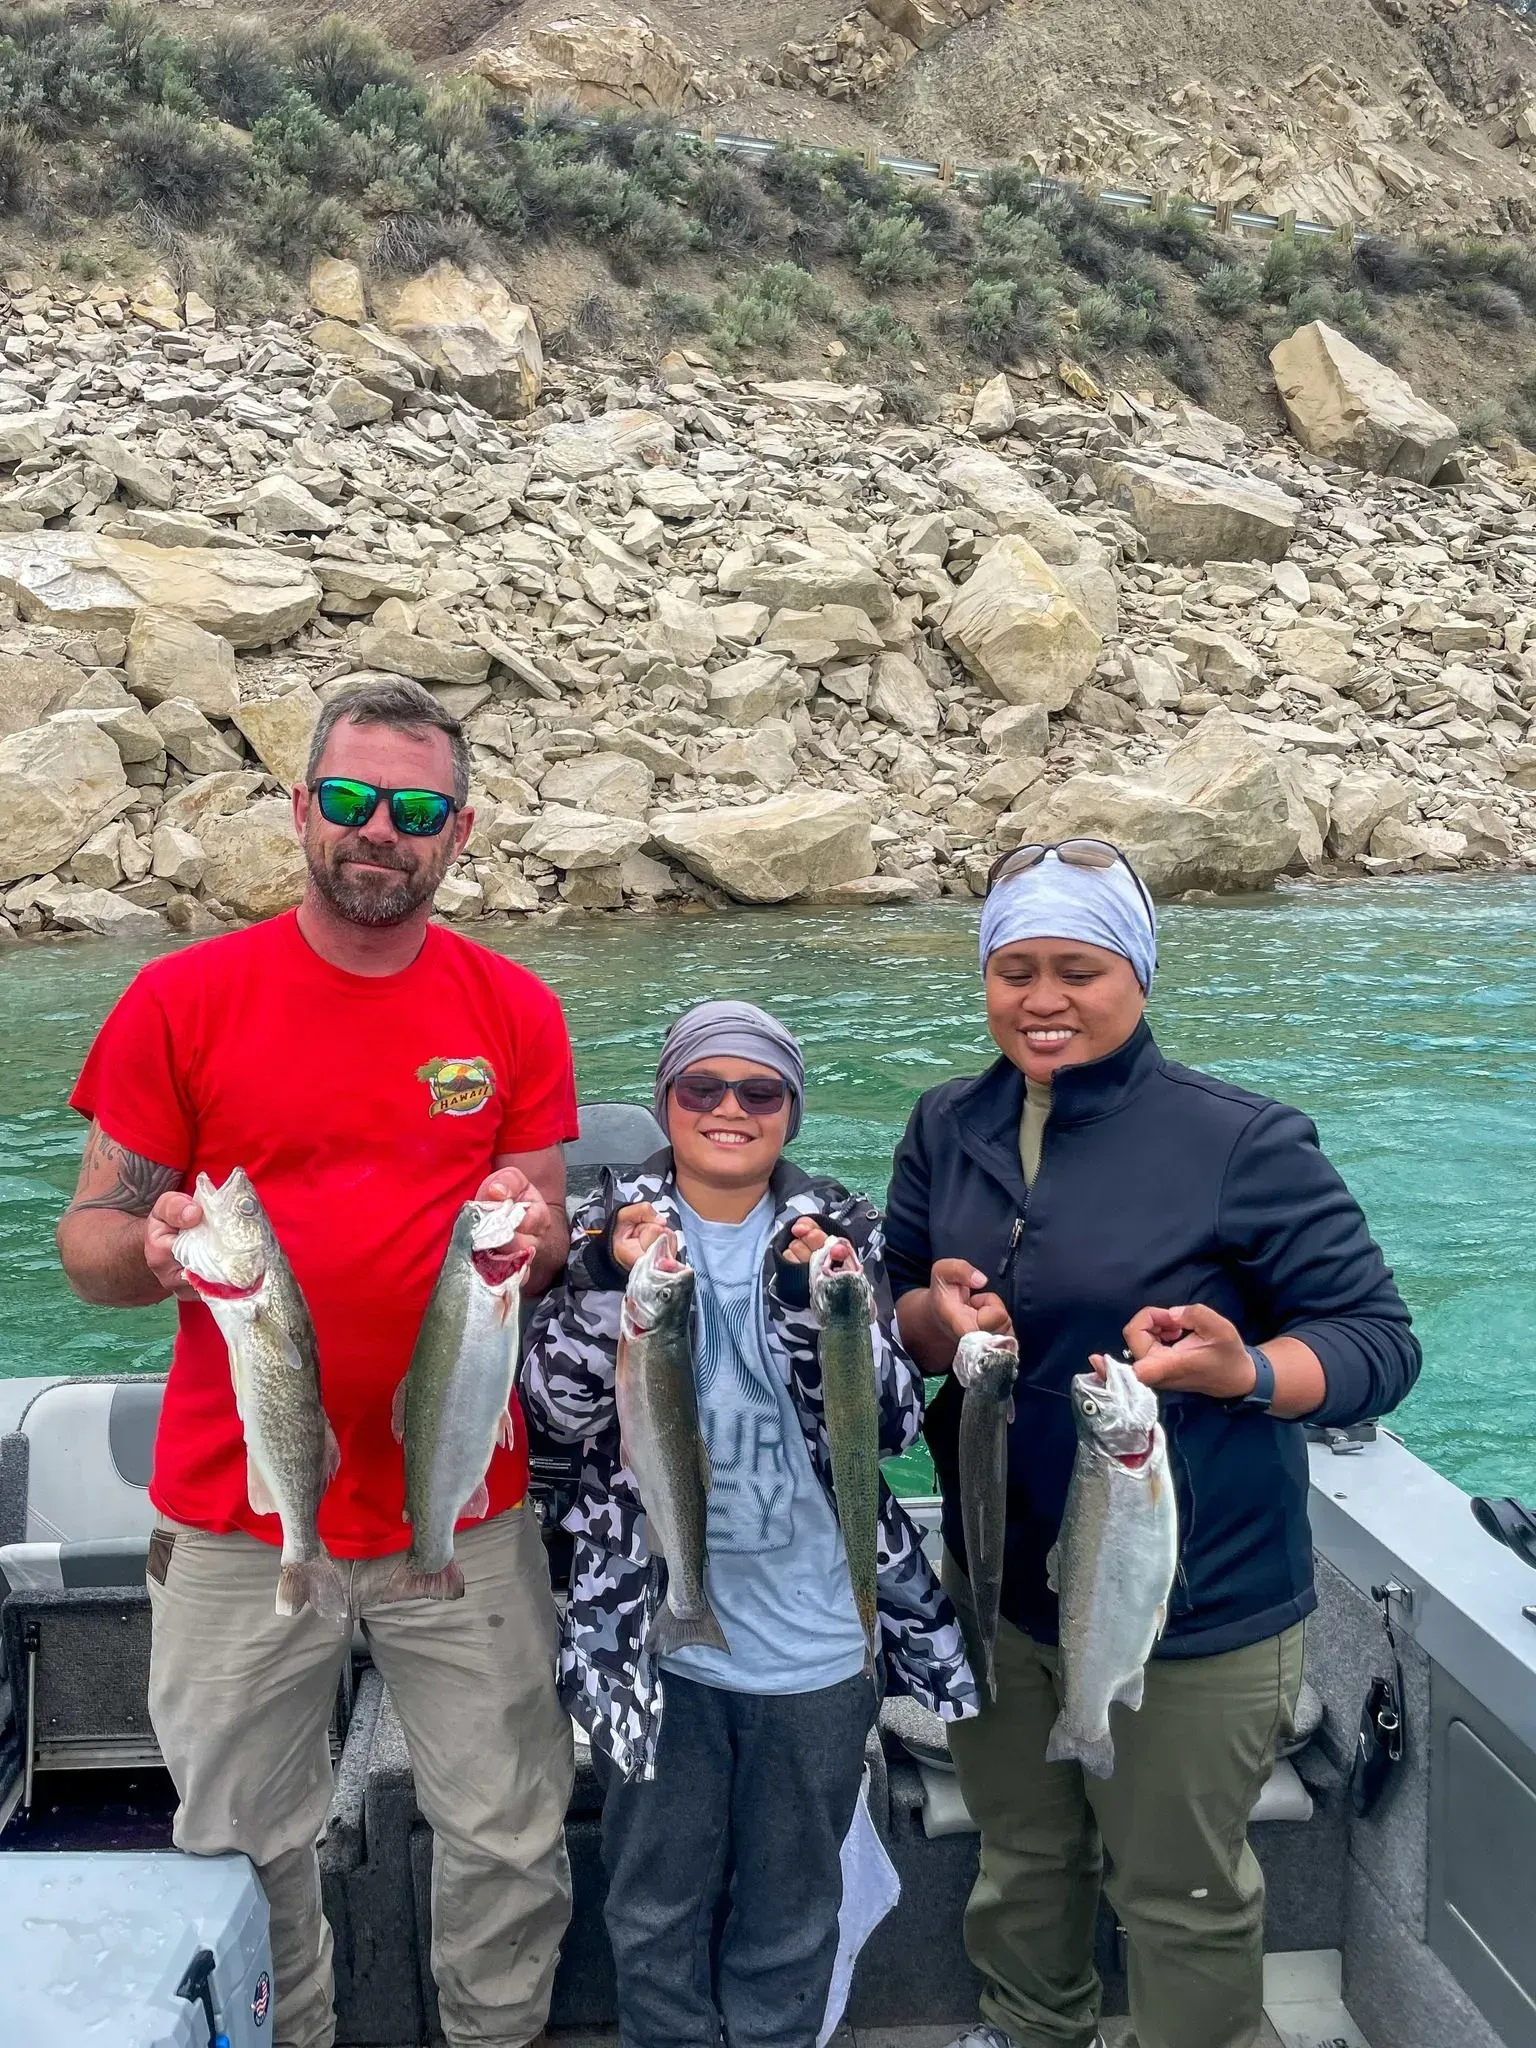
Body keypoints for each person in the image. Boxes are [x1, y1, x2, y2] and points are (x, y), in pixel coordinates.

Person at [56, 678, 579, 2048]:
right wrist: (157, 1249)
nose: (378, 833)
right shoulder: (183, 1001)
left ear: (457, 834)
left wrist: (537, 1234)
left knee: (511, 1836)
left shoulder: (513, 1007)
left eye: (414, 812)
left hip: (464, 1507)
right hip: (238, 1513)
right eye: (350, 801)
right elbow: (92, 1241)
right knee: (243, 1845)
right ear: (302, 810)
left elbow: (548, 1218)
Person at [884, 841, 1422, 2048]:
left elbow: (1379, 1341)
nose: (1043, 997)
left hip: (1199, 1605)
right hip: (1001, 1587)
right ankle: (1031, 2027)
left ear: (1140, 972)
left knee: (1179, 1889)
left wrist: (1248, 1370)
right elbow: (896, 1296)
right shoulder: (944, 1123)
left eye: (1078, 966)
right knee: (1022, 1854)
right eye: (1014, 967)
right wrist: (927, 1315)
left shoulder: (1245, 1140)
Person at [522, 999, 978, 2048]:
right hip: (657, 1647)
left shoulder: (842, 1231)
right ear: (666, 1102)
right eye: (701, 1088)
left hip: (817, 1641)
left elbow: (897, 1424)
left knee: (790, 1911)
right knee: (652, 1910)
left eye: (759, 1090)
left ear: (790, 1110)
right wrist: (601, 1283)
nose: (730, 1109)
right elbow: (552, 1417)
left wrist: (814, 1307)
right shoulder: (600, 1230)